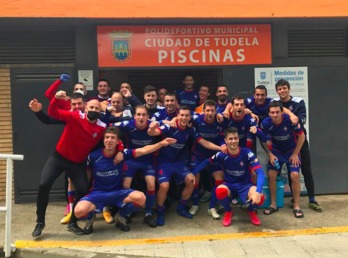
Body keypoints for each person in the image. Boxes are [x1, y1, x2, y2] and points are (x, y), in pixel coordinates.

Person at [31, 91, 108, 238]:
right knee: (44, 185)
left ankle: (73, 222)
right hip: (59, 158)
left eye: (97, 108)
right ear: (85, 107)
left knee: (83, 190)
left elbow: (113, 137)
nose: (93, 110)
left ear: (100, 111)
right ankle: (40, 222)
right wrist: (55, 99)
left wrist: (118, 151)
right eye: (91, 107)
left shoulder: (102, 127)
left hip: (77, 163)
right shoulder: (74, 116)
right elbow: (53, 112)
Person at [74, 127, 177, 234]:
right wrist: (84, 189)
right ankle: (90, 218)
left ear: (118, 141)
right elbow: (87, 172)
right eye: (107, 137)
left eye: (113, 138)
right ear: (103, 139)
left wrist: (161, 144)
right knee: (78, 212)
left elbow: (143, 150)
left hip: (118, 192)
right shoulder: (94, 156)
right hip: (98, 193)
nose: (109, 140)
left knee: (141, 198)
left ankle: (120, 216)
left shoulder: (123, 154)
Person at [147, 106, 221, 226]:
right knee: (164, 186)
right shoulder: (170, 126)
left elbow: (203, 142)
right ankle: (160, 212)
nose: (184, 118)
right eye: (182, 115)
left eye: (187, 115)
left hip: (178, 163)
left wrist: (220, 148)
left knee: (191, 180)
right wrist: (151, 128)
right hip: (164, 162)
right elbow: (153, 132)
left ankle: (181, 208)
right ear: (178, 115)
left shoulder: (190, 130)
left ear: (190, 117)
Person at [192, 127, 265, 226]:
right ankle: (229, 211)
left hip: (246, 186)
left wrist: (257, 191)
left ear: (238, 139)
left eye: (235, 138)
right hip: (230, 185)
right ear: (225, 140)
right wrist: (194, 173)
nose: (233, 141)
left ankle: (251, 210)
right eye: (230, 139)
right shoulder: (222, 155)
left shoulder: (247, 153)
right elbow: (207, 162)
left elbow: (260, 173)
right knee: (220, 190)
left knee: (260, 197)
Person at [274, 79, 322, 212]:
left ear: (289, 89)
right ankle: (294, 200)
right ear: (277, 91)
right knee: (292, 171)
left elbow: (301, 119)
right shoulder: (275, 104)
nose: (282, 91)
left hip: (300, 141)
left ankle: (312, 200)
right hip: (286, 143)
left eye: (284, 88)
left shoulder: (299, 102)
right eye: (280, 89)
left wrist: (294, 118)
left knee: (306, 169)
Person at [114, 105, 158, 228]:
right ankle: (126, 213)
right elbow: (110, 129)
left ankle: (148, 214)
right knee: (126, 184)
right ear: (134, 116)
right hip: (131, 160)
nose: (141, 117)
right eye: (138, 114)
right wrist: (119, 149)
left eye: (144, 115)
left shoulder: (153, 124)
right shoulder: (128, 124)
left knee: (151, 184)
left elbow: (167, 123)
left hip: (148, 161)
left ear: (148, 117)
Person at [261, 101, 305, 218]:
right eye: (272, 113)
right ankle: (273, 204)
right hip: (276, 151)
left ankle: (296, 206)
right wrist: (269, 153)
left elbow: (302, 136)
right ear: (269, 113)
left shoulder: (290, 120)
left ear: (282, 112)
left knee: (295, 175)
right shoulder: (265, 123)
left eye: (277, 112)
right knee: (271, 174)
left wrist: (296, 153)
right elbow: (263, 140)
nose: (275, 115)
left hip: (291, 150)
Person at [190, 100, 224, 219]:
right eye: (207, 110)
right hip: (198, 154)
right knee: (195, 176)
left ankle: (212, 207)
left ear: (216, 111)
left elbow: (221, 137)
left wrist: (223, 144)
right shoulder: (196, 120)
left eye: (212, 111)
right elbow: (202, 142)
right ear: (203, 111)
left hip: (214, 155)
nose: (210, 113)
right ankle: (195, 204)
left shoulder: (220, 121)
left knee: (219, 178)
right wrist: (221, 148)